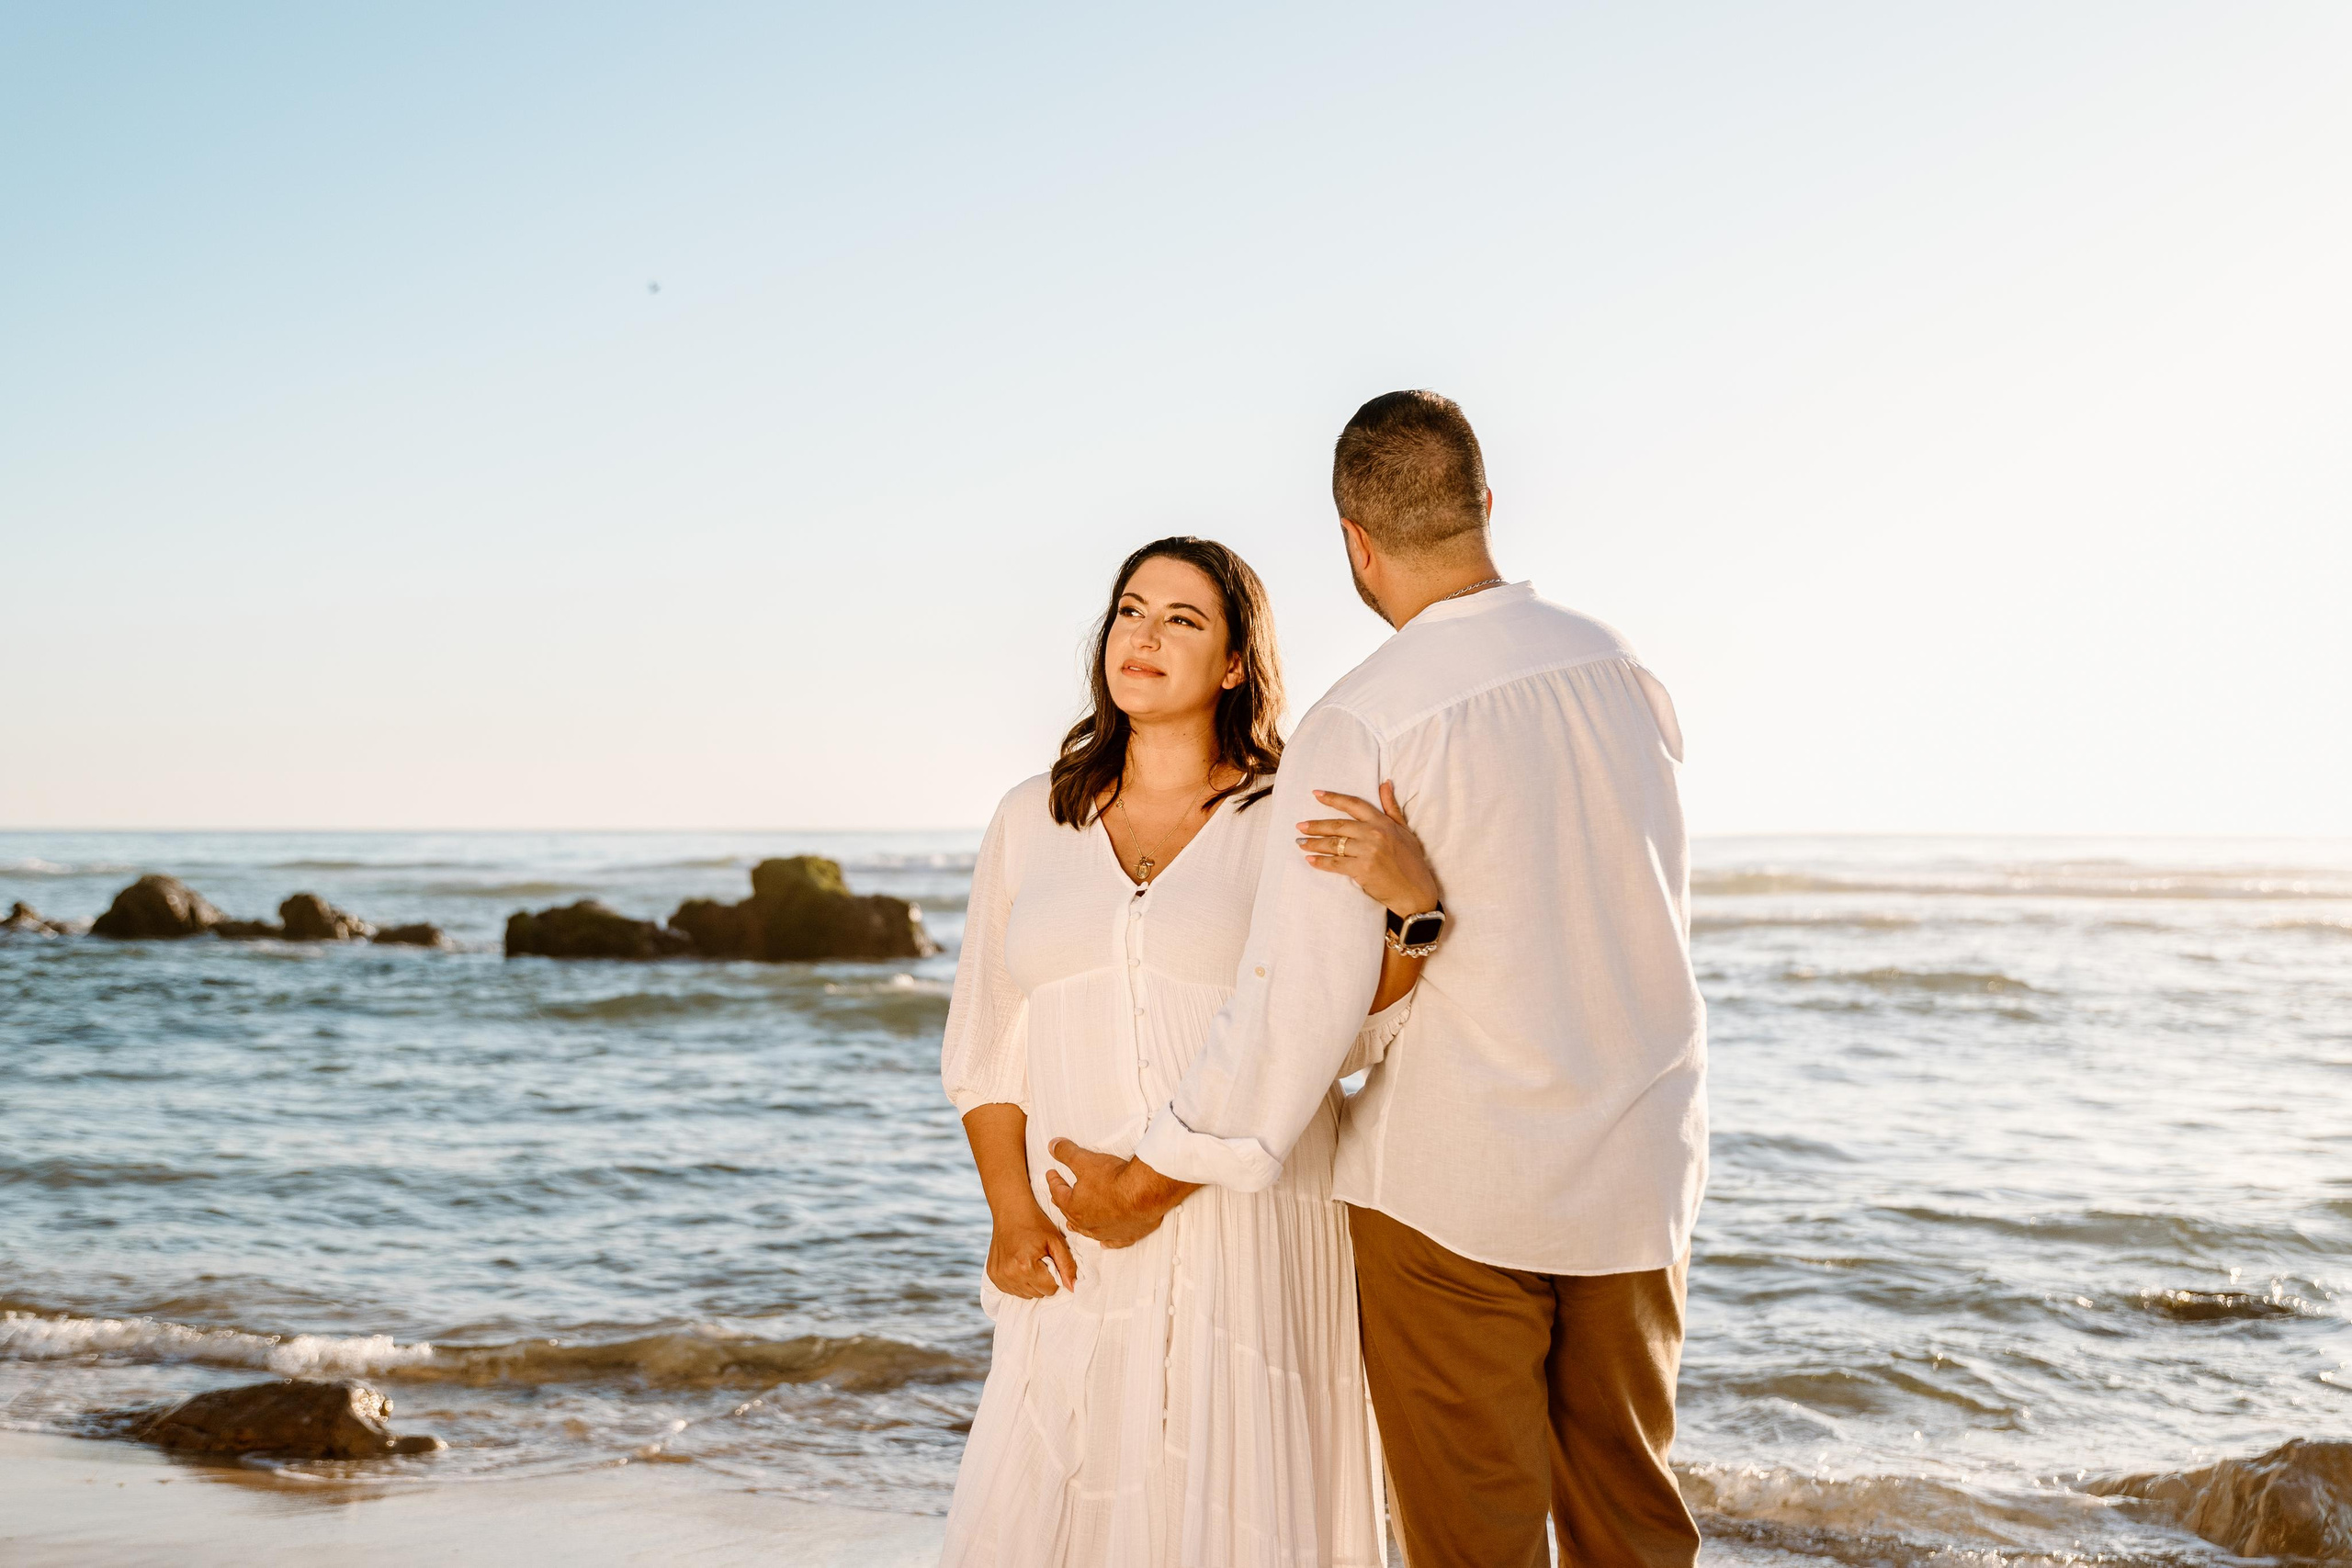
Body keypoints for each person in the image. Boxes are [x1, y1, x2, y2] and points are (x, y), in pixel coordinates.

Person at [1052, 390, 1710, 1568]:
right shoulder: (1625, 673)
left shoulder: (1363, 720)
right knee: (1636, 1536)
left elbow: (1294, 1009)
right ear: (1486, 506)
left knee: (1475, 1547)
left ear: (1353, 541)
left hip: (1454, 1191)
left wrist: (1145, 1184)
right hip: (1637, 1177)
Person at [937, 535, 1442, 1566]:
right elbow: (989, 1037)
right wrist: (1009, 1209)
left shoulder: (1289, 814)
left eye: (1183, 619)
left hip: (1250, 1218)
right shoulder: (1031, 819)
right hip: (1077, 1229)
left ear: (1233, 664)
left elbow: (1342, 1025)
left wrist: (1411, 913)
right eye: (1131, 610)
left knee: (1234, 1513)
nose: (1146, 635)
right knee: (1049, 1510)